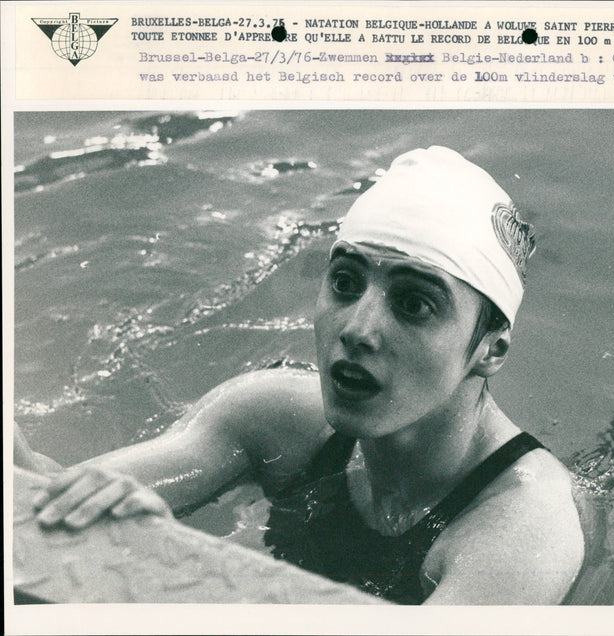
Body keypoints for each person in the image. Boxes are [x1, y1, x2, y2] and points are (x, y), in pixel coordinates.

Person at [21, 146, 585, 605]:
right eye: (345, 282)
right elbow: (46, 501)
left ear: (490, 349)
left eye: (413, 304)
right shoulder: (271, 418)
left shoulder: (525, 531)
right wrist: (125, 524)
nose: (359, 329)